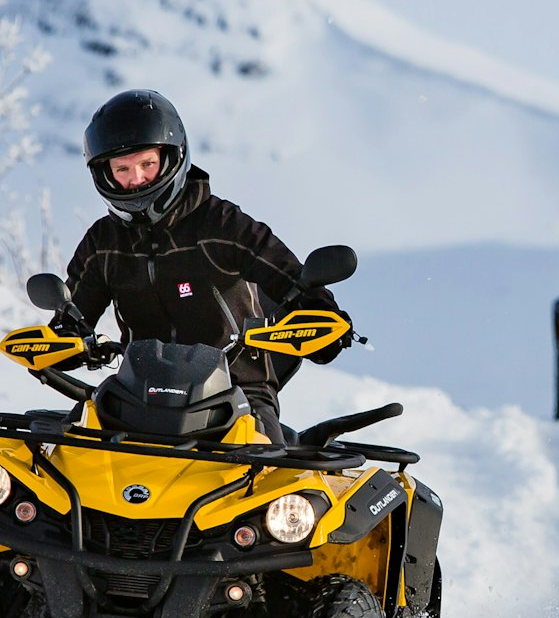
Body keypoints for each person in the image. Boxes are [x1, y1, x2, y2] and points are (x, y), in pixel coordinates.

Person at [63, 89, 349, 443]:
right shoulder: (103, 242)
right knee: (61, 453)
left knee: (266, 467)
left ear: (172, 157)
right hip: (136, 396)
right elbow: (72, 319)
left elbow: (292, 279)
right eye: (122, 169)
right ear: (104, 174)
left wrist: (322, 316)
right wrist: (63, 340)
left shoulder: (222, 226)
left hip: (237, 393)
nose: (136, 179)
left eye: (147, 164)